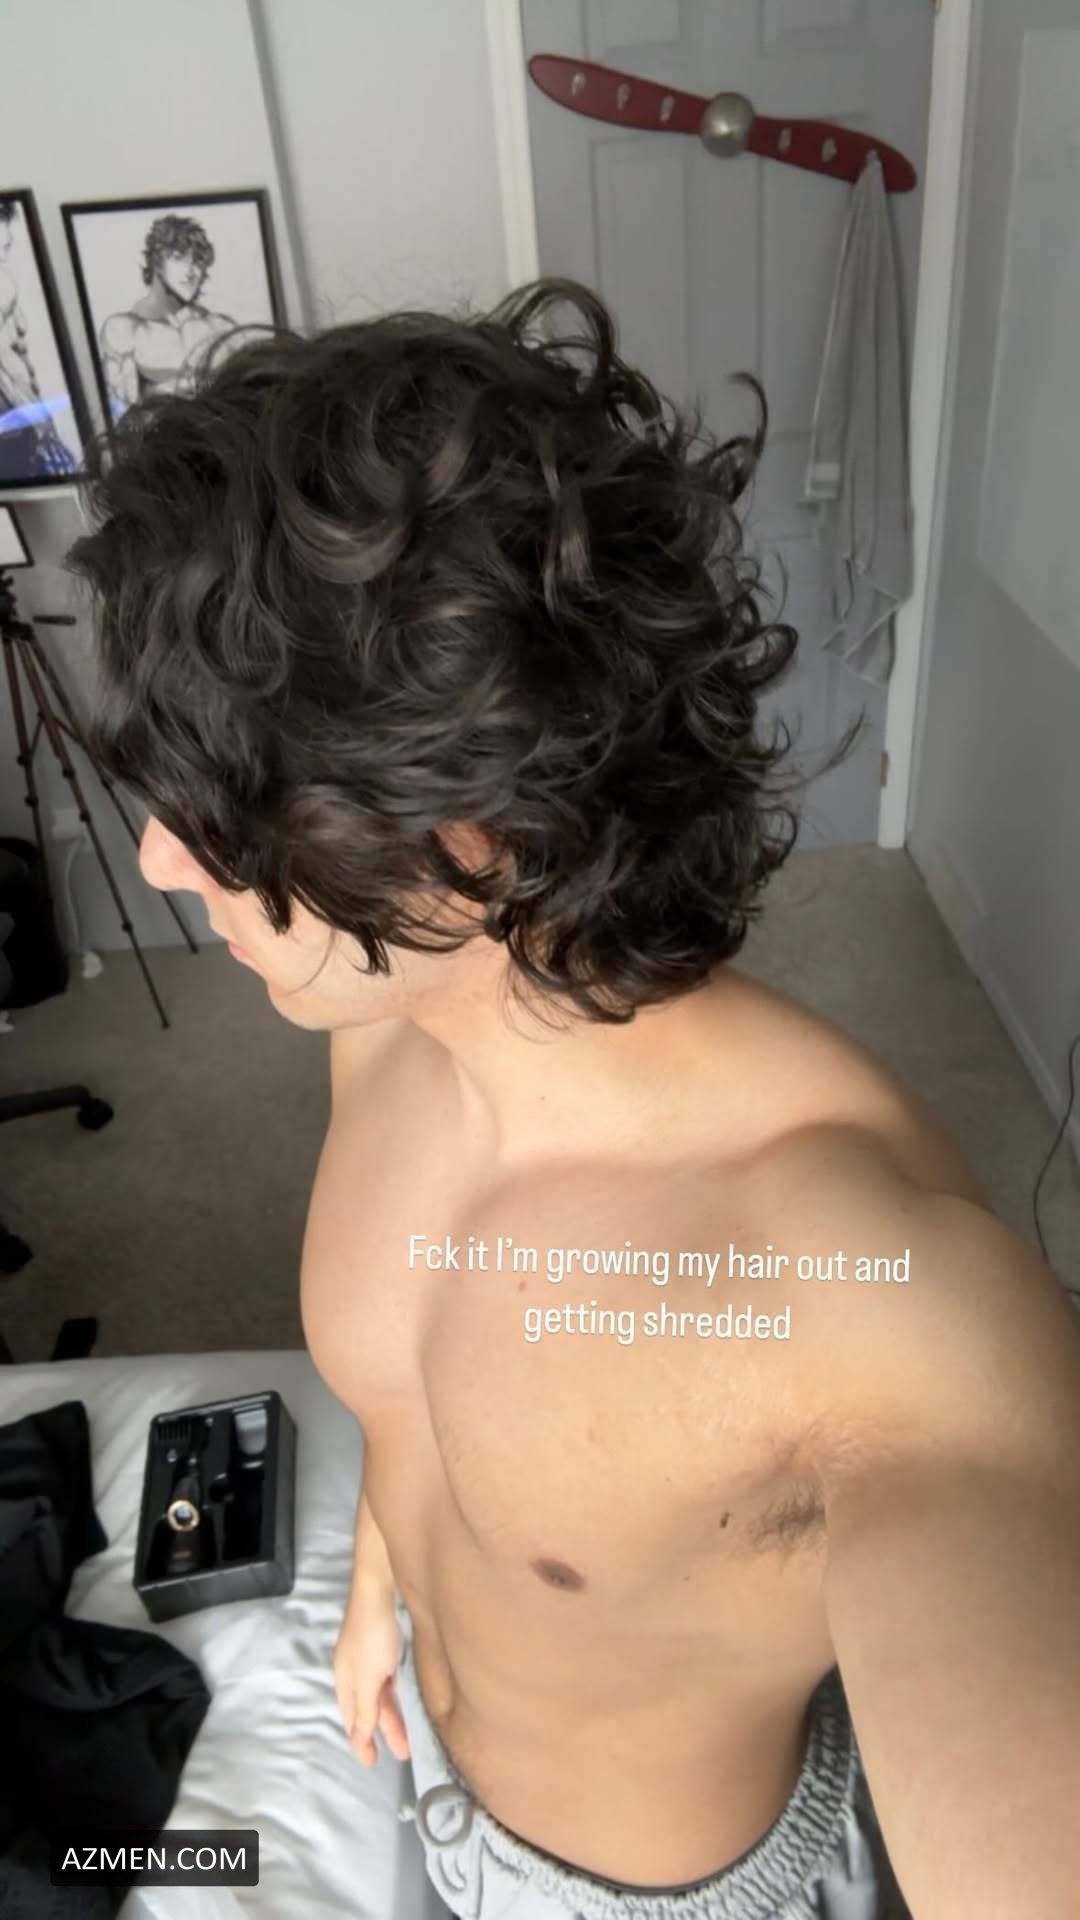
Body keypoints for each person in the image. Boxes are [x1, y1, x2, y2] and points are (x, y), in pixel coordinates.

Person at [70, 278, 1080, 1920]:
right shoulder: (385, 1003)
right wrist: (389, 1572)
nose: (161, 862)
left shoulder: (871, 1295)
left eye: (221, 810)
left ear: (476, 823)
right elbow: (418, 1398)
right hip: (430, 1766)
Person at [98, 213, 245, 420]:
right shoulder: (124, 330)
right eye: (178, 258)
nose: (190, 272)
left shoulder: (220, 327)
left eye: (197, 261)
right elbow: (123, 418)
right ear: (157, 261)